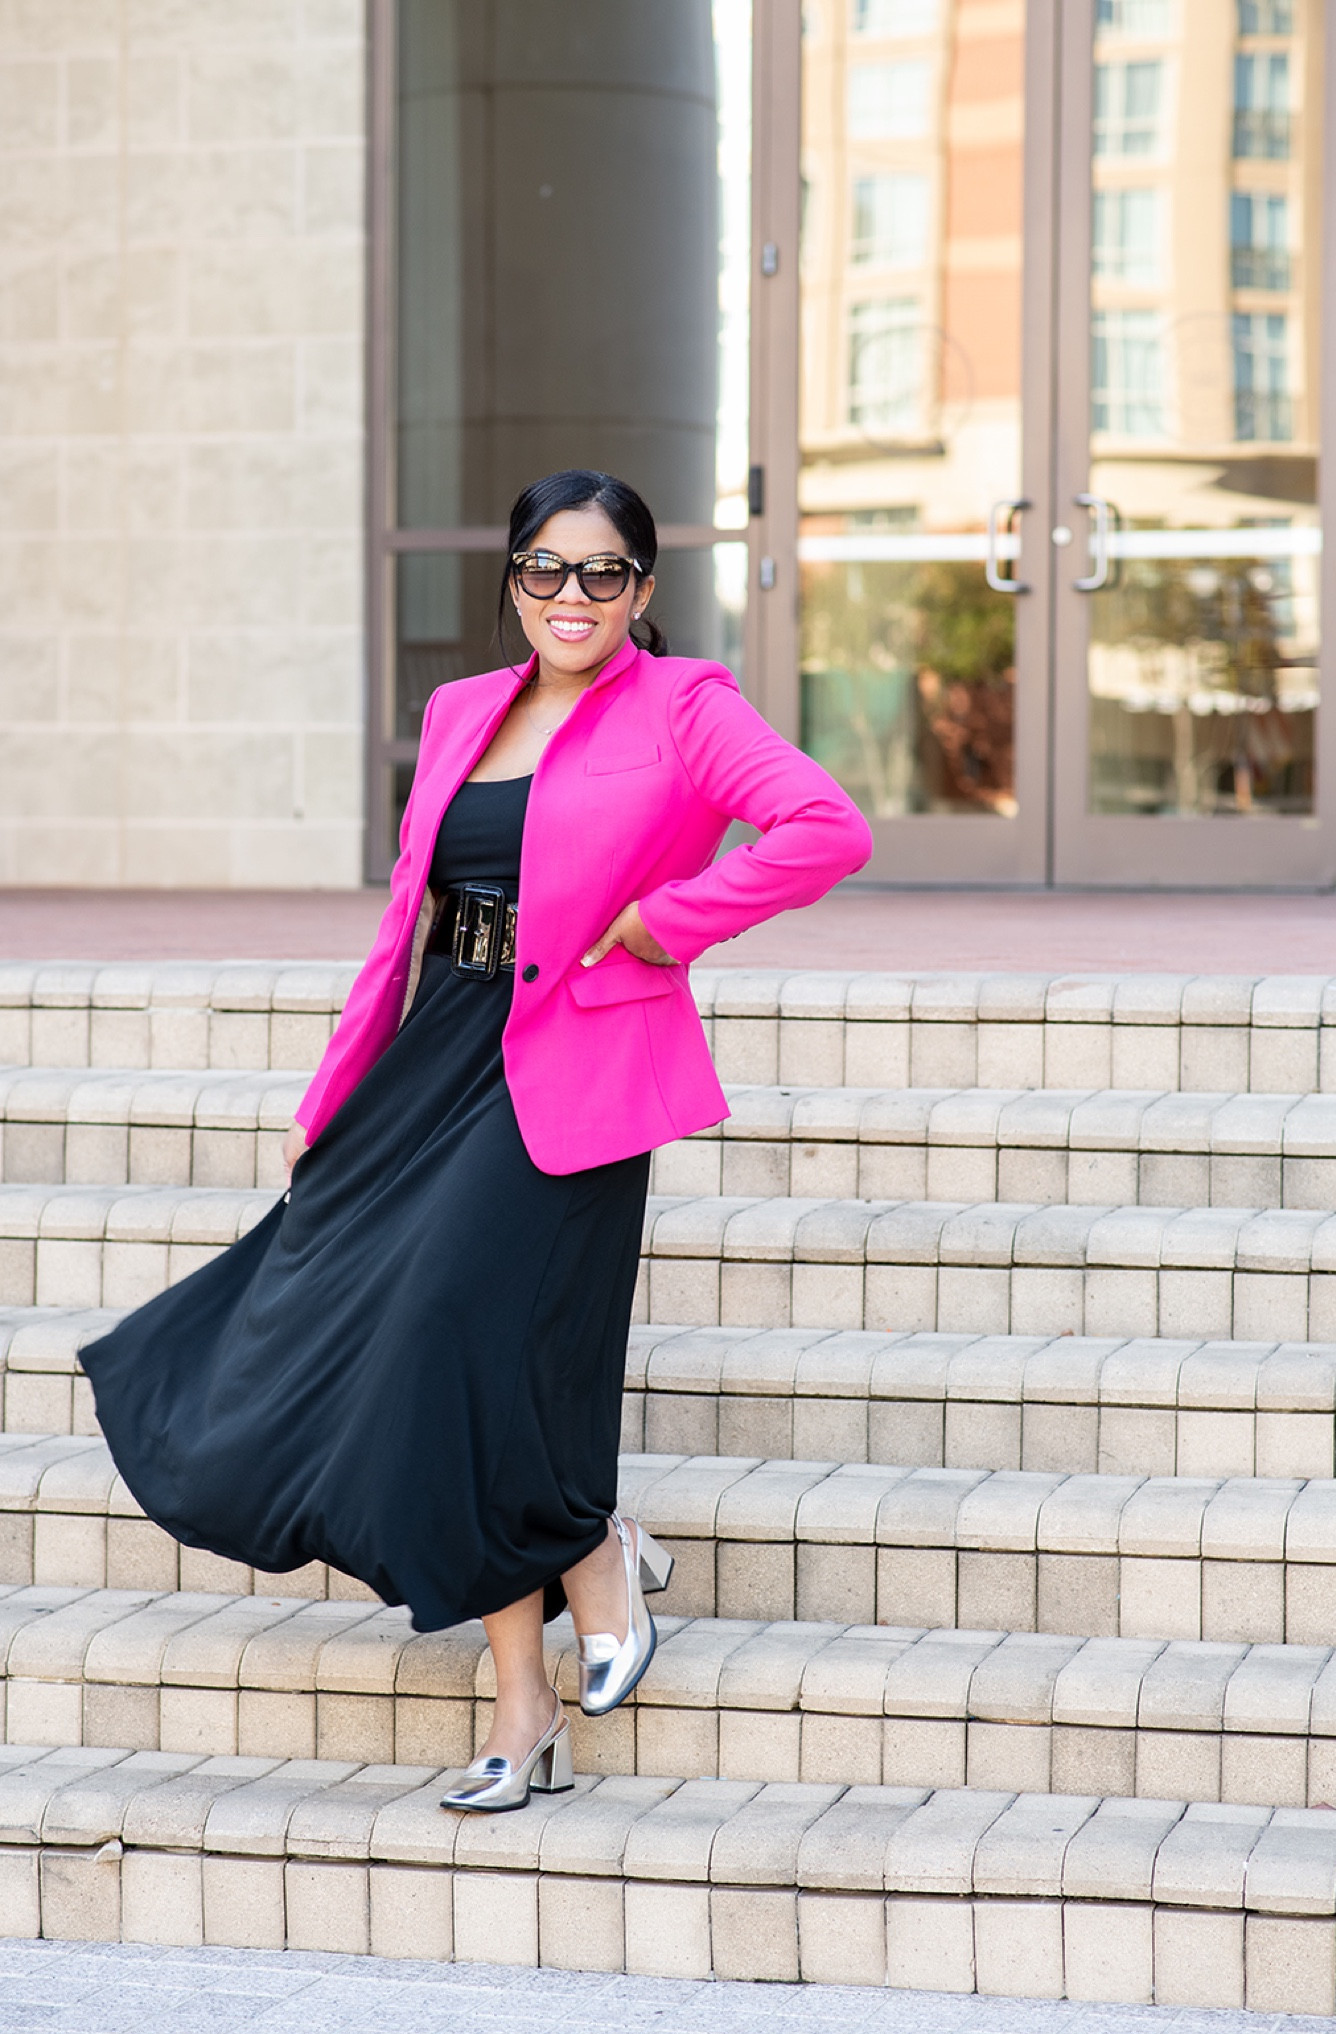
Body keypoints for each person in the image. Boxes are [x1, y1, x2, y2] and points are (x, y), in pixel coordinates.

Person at [80, 468, 874, 1812]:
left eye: (604, 572)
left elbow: (825, 828)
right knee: (398, 1349)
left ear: (642, 588)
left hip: (573, 1058)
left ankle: (588, 1554)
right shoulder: (461, 709)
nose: (573, 595)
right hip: (435, 1049)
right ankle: (533, 1683)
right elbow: (403, 922)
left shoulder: (686, 705)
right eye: (545, 569)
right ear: (513, 581)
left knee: (454, 1331)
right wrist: (331, 1097)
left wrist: (664, 923)